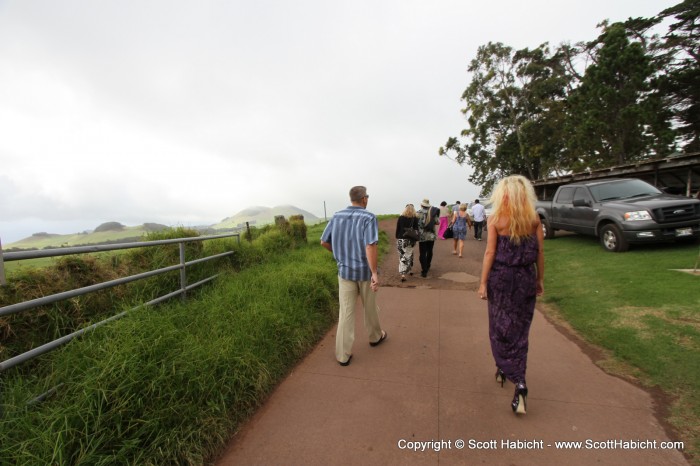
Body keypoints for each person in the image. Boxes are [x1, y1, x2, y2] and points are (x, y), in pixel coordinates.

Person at [477, 175, 544, 415]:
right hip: (525, 279)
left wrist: (483, 283)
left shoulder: (495, 219)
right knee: (520, 331)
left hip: (501, 280)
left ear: (502, 196)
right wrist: (539, 279)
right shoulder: (534, 220)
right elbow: (539, 253)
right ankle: (520, 380)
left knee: (499, 327)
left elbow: (490, 253)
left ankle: (504, 368)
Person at [321, 186, 387, 366]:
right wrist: (374, 273)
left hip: (345, 273)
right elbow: (370, 246)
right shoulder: (368, 217)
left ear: (351, 199)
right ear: (364, 199)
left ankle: (343, 355)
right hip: (364, 272)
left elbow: (324, 241)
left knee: (346, 313)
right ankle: (375, 337)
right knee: (370, 307)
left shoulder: (336, 216)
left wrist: (339, 254)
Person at [395, 204, 418, 282]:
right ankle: (410, 270)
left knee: (402, 256)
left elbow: (398, 228)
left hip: (401, 239)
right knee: (409, 255)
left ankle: (403, 274)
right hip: (410, 240)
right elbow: (416, 230)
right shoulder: (415, 218)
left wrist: (397, 237)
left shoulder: (401, 218)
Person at [417, 198, 439, 278]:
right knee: (430, 251)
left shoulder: (418, 213)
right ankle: (428, 265)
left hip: (422, 236)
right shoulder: (432, 213)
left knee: (422, 253)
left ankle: (424, 270)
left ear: (422, 205)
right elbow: (437, 222)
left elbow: (416, 224)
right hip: (431, 235)